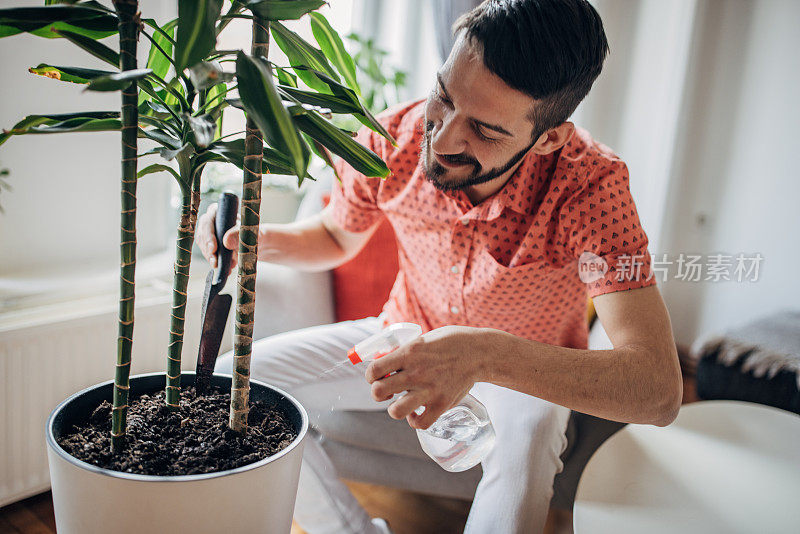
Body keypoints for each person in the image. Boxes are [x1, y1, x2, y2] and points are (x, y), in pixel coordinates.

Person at [198, 1, 682, 532]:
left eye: (485, 129)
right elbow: (336, 234)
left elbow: (657, 388)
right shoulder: (389, 138)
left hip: (528, 370)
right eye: (444, 98)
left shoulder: (592, 187)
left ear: (548, 138)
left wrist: (484, 354)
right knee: (232, 385)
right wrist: (255, 241)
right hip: (401, 336)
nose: (445, 138)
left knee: (528, 444)